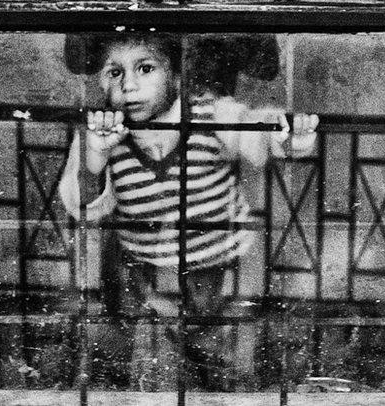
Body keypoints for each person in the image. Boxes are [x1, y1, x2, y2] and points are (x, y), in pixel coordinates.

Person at [58, 33, 318, 389]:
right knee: (136, 355)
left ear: (176, 75)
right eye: (114, 73)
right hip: (143, 264)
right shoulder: (101, 132)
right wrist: (97, 157)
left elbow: (257, 129)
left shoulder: (211, 113)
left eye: (145, 69)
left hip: (217, 264)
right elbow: (83, 205)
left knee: (216, 357)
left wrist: (290, 137)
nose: (129, 86)